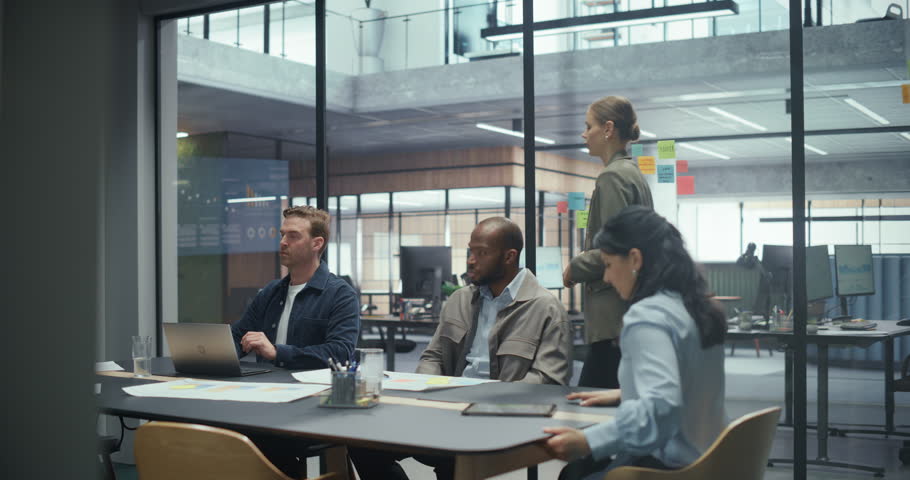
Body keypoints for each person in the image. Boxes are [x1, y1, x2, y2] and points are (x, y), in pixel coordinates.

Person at [351, 217, 572, 480]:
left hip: (498, 418)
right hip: (447, 411)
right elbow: (434, 355)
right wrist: (425, 389)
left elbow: (549, 381)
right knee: (360, 438)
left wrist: (486, 399)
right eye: (470, 251)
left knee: (452, 464)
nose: (470, 260)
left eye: (481, 253)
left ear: (509, 257)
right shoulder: (460, 299)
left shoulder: (545, 307)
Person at [544, 206, 728, 480]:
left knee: (574, 472)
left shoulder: (648, 317)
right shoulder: (695, 307)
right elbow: (689, 380)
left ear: (634, 259)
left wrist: (588, 441)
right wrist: (627, 392)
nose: (605, 277)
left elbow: (662, 407)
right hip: (710, 459)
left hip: (672, 467)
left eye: (608, 265)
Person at [563, 95, 654, 388]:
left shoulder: (612, 177)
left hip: (612, 316)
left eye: (588, 126)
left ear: (608, 129)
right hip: (627, 314)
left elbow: (617, 249)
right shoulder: (633, 173)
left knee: (591, 407)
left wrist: (577, 266)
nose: (583, 133)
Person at [231, 205, 360, 370]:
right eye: (282, 235)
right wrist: (214, 353)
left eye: (293, 236)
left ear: (317, 244)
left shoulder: (340, 294)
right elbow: (238, 335)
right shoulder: (271, 291)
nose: (283, 242)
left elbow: (339, 353)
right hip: (266, 386)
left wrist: (277, 352)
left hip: (311, 389)